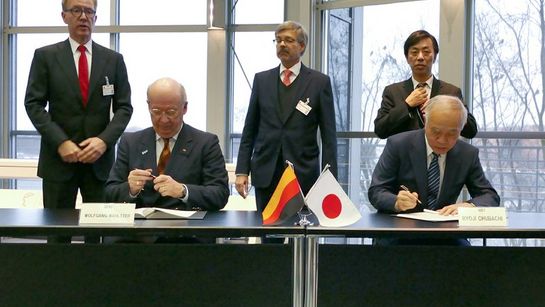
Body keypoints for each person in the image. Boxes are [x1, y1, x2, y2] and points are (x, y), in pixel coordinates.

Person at [24, 0, 132, 243]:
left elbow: (124, 108)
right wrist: (60, 141)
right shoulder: (45, 57)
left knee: (100, 238)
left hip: (99, 164)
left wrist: (104, 142)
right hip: (58, 161)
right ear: (64, 16)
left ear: (95, 17)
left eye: (89, 11)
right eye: (76, 10)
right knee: (57, 237)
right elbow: (33, 104)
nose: (83, 16)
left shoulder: (113, 60)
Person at [235, 21, 338, 214]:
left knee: (300, 234)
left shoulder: (319, 82)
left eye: (289, 40)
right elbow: (250, 130)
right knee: (267, 236)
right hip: (266, 171)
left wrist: (330, 179)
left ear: (302, 46)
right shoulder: (261, 80)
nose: (282, 44)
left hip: (303, 173)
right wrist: (242, 171)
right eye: (278, 40)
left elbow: (329, 136)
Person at [368, 95, 500, 245]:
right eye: (436, 131)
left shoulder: (467, 154)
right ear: (426, 121)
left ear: (461, 129)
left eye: (452, 133)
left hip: (445, 234)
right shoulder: (398, 144)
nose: (443, 140)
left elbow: (489, 196)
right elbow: (376, 191)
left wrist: (469, 206)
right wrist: (396, 202)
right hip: (400, 231)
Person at [105, 77, 229, 213]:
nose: (163, 120)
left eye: (171, 112)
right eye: (156, 111)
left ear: (185, 108)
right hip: (140, 230)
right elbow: (109, 193)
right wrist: (130, 189)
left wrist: (183, 191)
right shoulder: (130, 142)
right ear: (148, 106)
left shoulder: (205, 143)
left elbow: (220, 194)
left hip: (186, 230)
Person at [374, 30, 477, 139]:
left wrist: (445, 110)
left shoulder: (450, 92)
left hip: (441, 153)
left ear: (435, 56)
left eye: (426, 52)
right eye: (414, 52)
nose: (420, 57)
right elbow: (380, 130)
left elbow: (471, 131)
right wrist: (406, 105)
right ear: (407, 57)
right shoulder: (393, 92)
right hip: (404, 155)